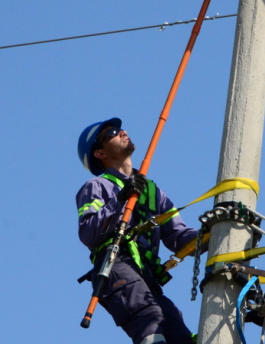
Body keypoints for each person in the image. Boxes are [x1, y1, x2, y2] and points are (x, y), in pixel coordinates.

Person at [76, 117, 199, 344]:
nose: (122, 132)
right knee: (151, 327)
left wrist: (209, 236)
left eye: (121, 129)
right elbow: (88, 232)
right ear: (99, 153)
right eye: (112, 132)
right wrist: (121, 199)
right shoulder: (97, 186)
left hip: (147, 277)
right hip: (117, 266)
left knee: (179, 334)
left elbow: (178, 235)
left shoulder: (152, 191)